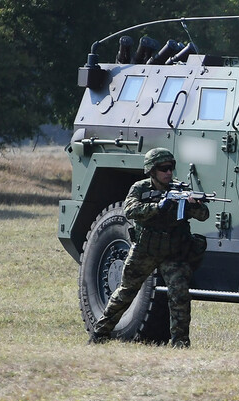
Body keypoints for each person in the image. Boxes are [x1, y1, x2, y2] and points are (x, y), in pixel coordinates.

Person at [88, 148, 209, 348]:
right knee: (125, 292)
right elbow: (130, 210)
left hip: (173, 253)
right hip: (144, 251)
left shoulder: (180, 190)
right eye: (164, 168)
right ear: (152, 171)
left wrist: (192, 204)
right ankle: (100, 333)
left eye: (171, 168)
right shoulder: (140, 189)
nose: (169, 172)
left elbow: (204, 215)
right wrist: (158, 206)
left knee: (180, 295)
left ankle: (180, 343)